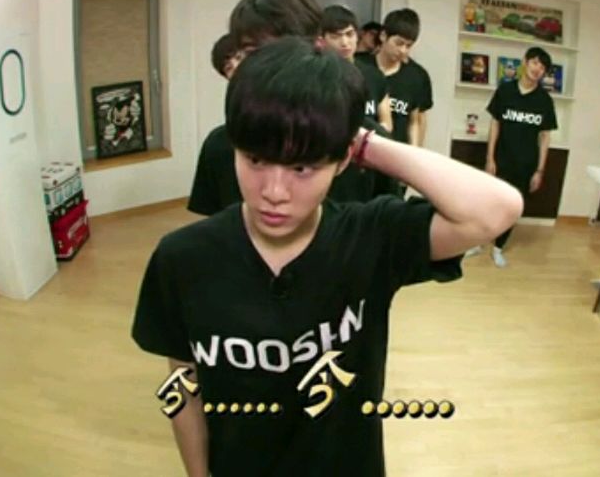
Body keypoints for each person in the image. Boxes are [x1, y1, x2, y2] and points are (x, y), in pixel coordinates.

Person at [132, 36, 523, 477]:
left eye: (302, 167)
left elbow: (498, 210)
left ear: (342, 161)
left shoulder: (371, 237)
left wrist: (362, 142)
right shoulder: (183, 258)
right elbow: (184, 384)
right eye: (255, 159)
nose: (274, 192)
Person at [188, 0, 389, 216]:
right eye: (254, 52)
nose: (273, 66)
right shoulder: (220, 145)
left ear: (317, 47)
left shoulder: (366, 146)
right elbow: (214, 229)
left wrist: (372, 149)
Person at [480, 46, 557, 267]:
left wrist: (539, 171)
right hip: (500, 161)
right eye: (535, 62)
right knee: (487, 203)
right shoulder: (505, 90)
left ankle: (498, 248)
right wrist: (490, 158)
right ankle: (478, 241)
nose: (537, 69)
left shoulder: (544, 100)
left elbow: (545, 137)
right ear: (525, 62)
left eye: (542, 67)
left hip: (526, 165)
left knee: (512, 209)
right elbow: (495, 124)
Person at [356, 8, 432, 148]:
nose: (403, 50)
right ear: (383, 36)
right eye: (399, 43)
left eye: (408, 46)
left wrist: (414, 152)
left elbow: (415, 121)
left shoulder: (417, 76)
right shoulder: (359, 66)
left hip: (397, 151)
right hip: (360, 149)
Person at [321, 5, 392, 133]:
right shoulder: (315, 75)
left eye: (349, 34)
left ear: (357, 36)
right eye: (336, 36)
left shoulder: (374, 76)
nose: (344, 42)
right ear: (322, 40)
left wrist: (374, 134)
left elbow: (386, 123)